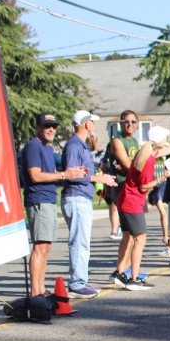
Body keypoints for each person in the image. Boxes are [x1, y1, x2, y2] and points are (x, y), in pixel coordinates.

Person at [22, 113, 88, 298]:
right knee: (40, 246)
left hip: (49, 200)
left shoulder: (47, 148)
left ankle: (41, 290)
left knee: (46, 247)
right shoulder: (33, 146)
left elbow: (54, 173)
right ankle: (36, 293)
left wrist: (72, 172)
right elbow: (35, 175)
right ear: (37, 127)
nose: (51, 129)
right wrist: (64, 175)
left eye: (53, 126)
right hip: (39, 200)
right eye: (46, 126)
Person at [61, 110, 117, 297]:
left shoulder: (81, 145)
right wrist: (97, 178)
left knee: (82, 242)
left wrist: (98, 176)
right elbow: (71, 174)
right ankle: (77, 284)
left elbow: (82, 172)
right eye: (92, 121)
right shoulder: (74, 145)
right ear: (86, 124)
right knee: (79, 242)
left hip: (81, 196)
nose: (93, 124)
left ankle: (80, 281)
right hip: (76, 197)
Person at [111, 126, 170, 290]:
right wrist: (162, 178)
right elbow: (144, 186)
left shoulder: (144, 152)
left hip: (125, 198)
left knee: (128, 237)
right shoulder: (149, 160)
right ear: (159, 141)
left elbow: (163, 151)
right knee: (140, 239)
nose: (167, 141)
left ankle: (119, 272)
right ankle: (134, 278)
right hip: (132, 202)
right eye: (165, 138)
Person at [104, 111, 142, 240]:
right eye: (126, 122)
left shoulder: (135, 142)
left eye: (133, 121)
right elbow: (129, 166)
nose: (130, 124)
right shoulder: (117, 141)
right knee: (134, 235)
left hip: (133, 188)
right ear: (121, 123)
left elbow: (141, 163)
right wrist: (132, 165)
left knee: (130, 235)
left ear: (137, 123)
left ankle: (127, 256)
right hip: (122, 188)